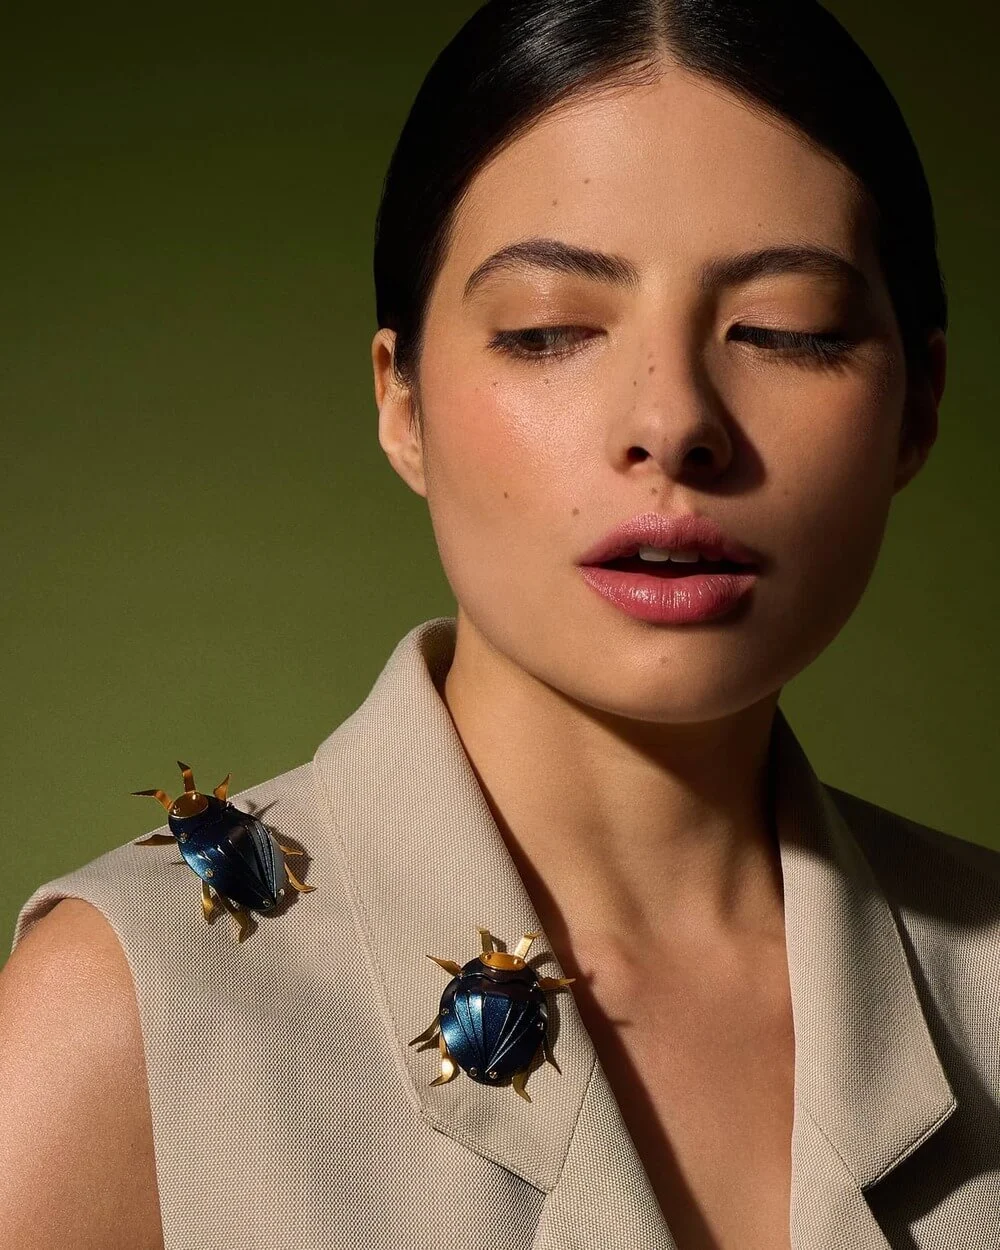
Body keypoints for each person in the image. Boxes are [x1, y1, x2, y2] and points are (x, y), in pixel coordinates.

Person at [2, 1, 995, 1247]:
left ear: (917, 408)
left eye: (783, 329)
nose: (673, 418)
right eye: (547, 331)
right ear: (400, 401)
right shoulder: (124, 1017)